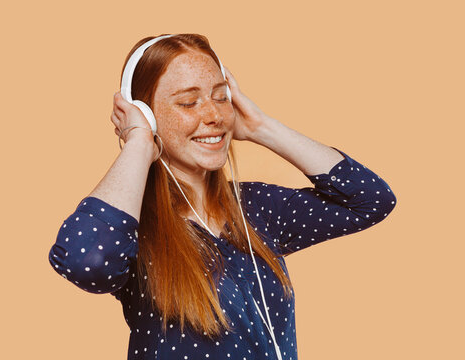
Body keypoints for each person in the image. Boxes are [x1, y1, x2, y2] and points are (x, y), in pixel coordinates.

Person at [48, 33, 397, 360]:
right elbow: (86, 260)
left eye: (220, 97)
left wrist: (261, 127)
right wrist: (139, 142)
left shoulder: (257, 208)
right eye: (188, 102)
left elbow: (370, 199)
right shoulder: (134, 229)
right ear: (148, 116)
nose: (213, 115)